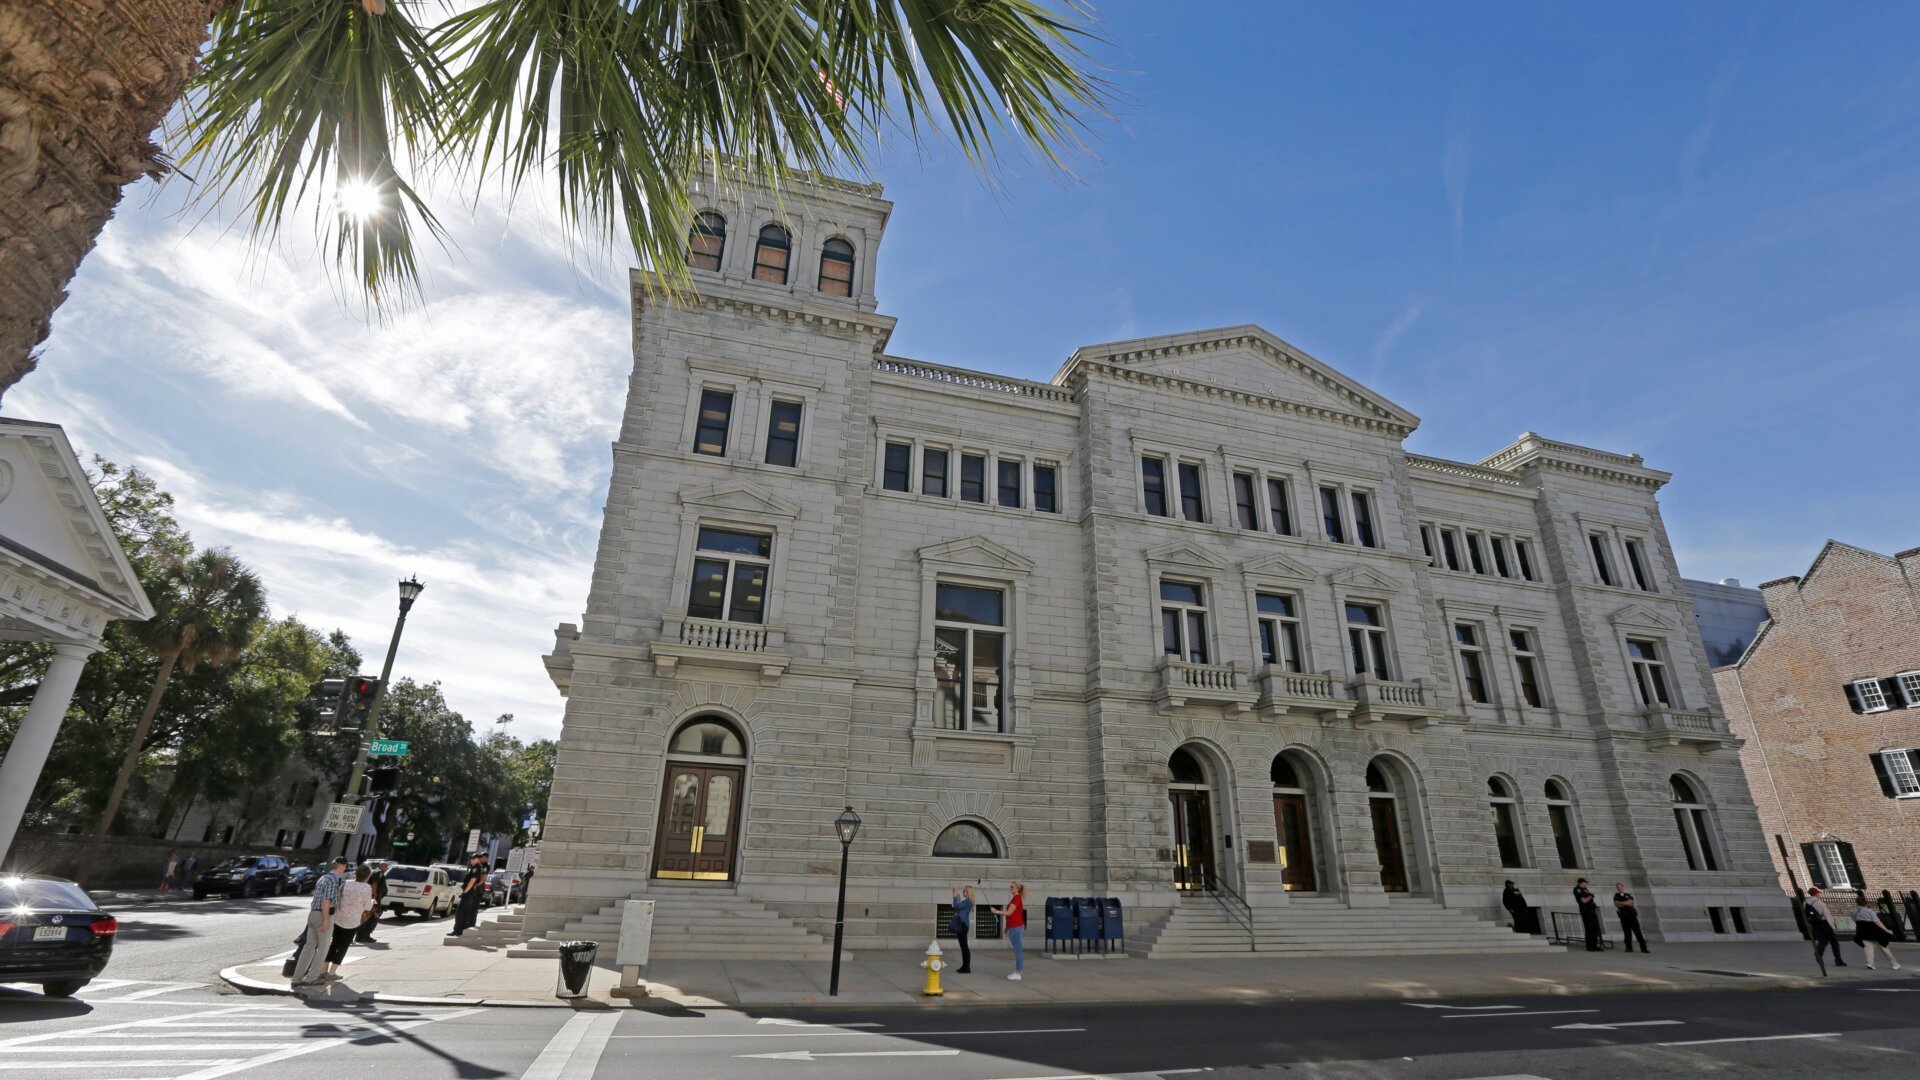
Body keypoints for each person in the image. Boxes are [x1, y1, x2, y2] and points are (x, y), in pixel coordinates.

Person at [290, 857, 347, 987]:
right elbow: (326, 901)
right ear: (341, 866)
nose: (345, 868)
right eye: (345, 866)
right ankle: (312, 977)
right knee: (323, 947)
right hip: (323, 915)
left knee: (309, 947)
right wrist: (326, 920)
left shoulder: (323, 878)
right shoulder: (333, 880)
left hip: (313, 914)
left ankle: (297, 978)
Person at [324, 865, 374, 980]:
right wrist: (371, 901)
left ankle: (323, 969)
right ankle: (332, 972)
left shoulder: (346, 883)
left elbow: (337, 897)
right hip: (353, 921)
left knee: (334, 943)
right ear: (367, 876)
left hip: (339, 918)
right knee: (343, 946)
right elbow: (367, 907)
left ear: (356, 873)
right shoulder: (367, 888)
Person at [1851, 892, 1902, 971]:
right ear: (1866, 902)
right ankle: (1894, 964)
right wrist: (1887, 930)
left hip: (1862, 931)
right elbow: (1877, 922)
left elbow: (1854, 919)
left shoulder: (1854, 911)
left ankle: (1870, 963)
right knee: (1884, 947)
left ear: (1857, 902)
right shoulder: (1869, 911)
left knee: (1868, 948)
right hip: (1874, 931)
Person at [1805, 887, 1847, 971]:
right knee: (1834, 942)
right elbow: (1827, 915)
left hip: (1815, 924)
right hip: (1824, 923)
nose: (1819, 894)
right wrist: (1833, 926)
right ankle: (1838, 960)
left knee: (1822, 941)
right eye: (1818, 893)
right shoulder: (1819, 903)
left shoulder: (1805, 903)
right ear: (1816, 893)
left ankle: (1819, 953)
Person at [992, 882, 1027, 980]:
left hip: (1016, 927)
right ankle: (1017, 972)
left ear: (1017, 889)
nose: (1010, 888)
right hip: (1014, 927)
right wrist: (1007, 927)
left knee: (1018, 950)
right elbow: (1013, 914)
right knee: (1017, 950)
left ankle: (1018, 973)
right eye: (1010, 886)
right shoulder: (1015, 898)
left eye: (1012, 887)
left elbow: (1009, 913)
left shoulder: (1016, 899)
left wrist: (996, 911)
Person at [451, 852, 486, 936]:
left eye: (473, 858)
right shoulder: (474, 867)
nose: (471, 859)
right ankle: (460, 929)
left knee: (460, 912)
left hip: (469, 892)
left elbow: (472, 881)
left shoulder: (476, 868)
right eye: (471, 858)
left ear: (477, 859)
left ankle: (458, 930)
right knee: (464, 911)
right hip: (470, 892)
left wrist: (465, 891)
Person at [1613, 882, 1650, 953]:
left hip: (1631, 915)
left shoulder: (1628, 895)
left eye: (1620, 887)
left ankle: (1643, 948)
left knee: (1637, 931)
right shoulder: (1616, 896)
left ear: (1623, 887)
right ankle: (1629, 947)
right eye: (1617, 887)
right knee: (1627, 932)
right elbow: (1617, 905)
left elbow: (1630, 903)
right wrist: (1625, 903)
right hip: (1623, 916)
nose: (1619, 888)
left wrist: (1621, 902)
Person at [356, 861, 388, 943]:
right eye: (385, 866)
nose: (386, 868)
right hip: (374, 900)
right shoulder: (379, 872)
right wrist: (374, 898)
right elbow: (374, 884)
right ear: (381, 866)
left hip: (371, 898)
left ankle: (359, 937)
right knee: (374, 917)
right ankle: (365, 936)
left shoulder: (374, 872)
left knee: (366, 917)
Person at [949, 884, 975, 974]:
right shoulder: (966, 901)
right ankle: (964, 966)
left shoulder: (969, 901)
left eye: (964, 891)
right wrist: (955, 896)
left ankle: (966, 967)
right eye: (963, 891)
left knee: (964, 947)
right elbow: (956, 907)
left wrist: (955, 896)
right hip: (961, 925)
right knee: (963, 947)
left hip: (963, 925)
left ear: (968, 892)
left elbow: (957, 907)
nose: (963, 892)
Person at [1573, 878, 1602, 952]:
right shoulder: (1577, 889)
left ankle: (1594, 945)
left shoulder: (1586, 890)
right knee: (1589, 928)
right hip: (1586, 911)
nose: (1586, 884)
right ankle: (1590, 946)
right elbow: (1584, 901)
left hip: (1592, 910)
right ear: (1581, 883)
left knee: (1595, 928)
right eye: (1585, 883)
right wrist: (1590, 896)